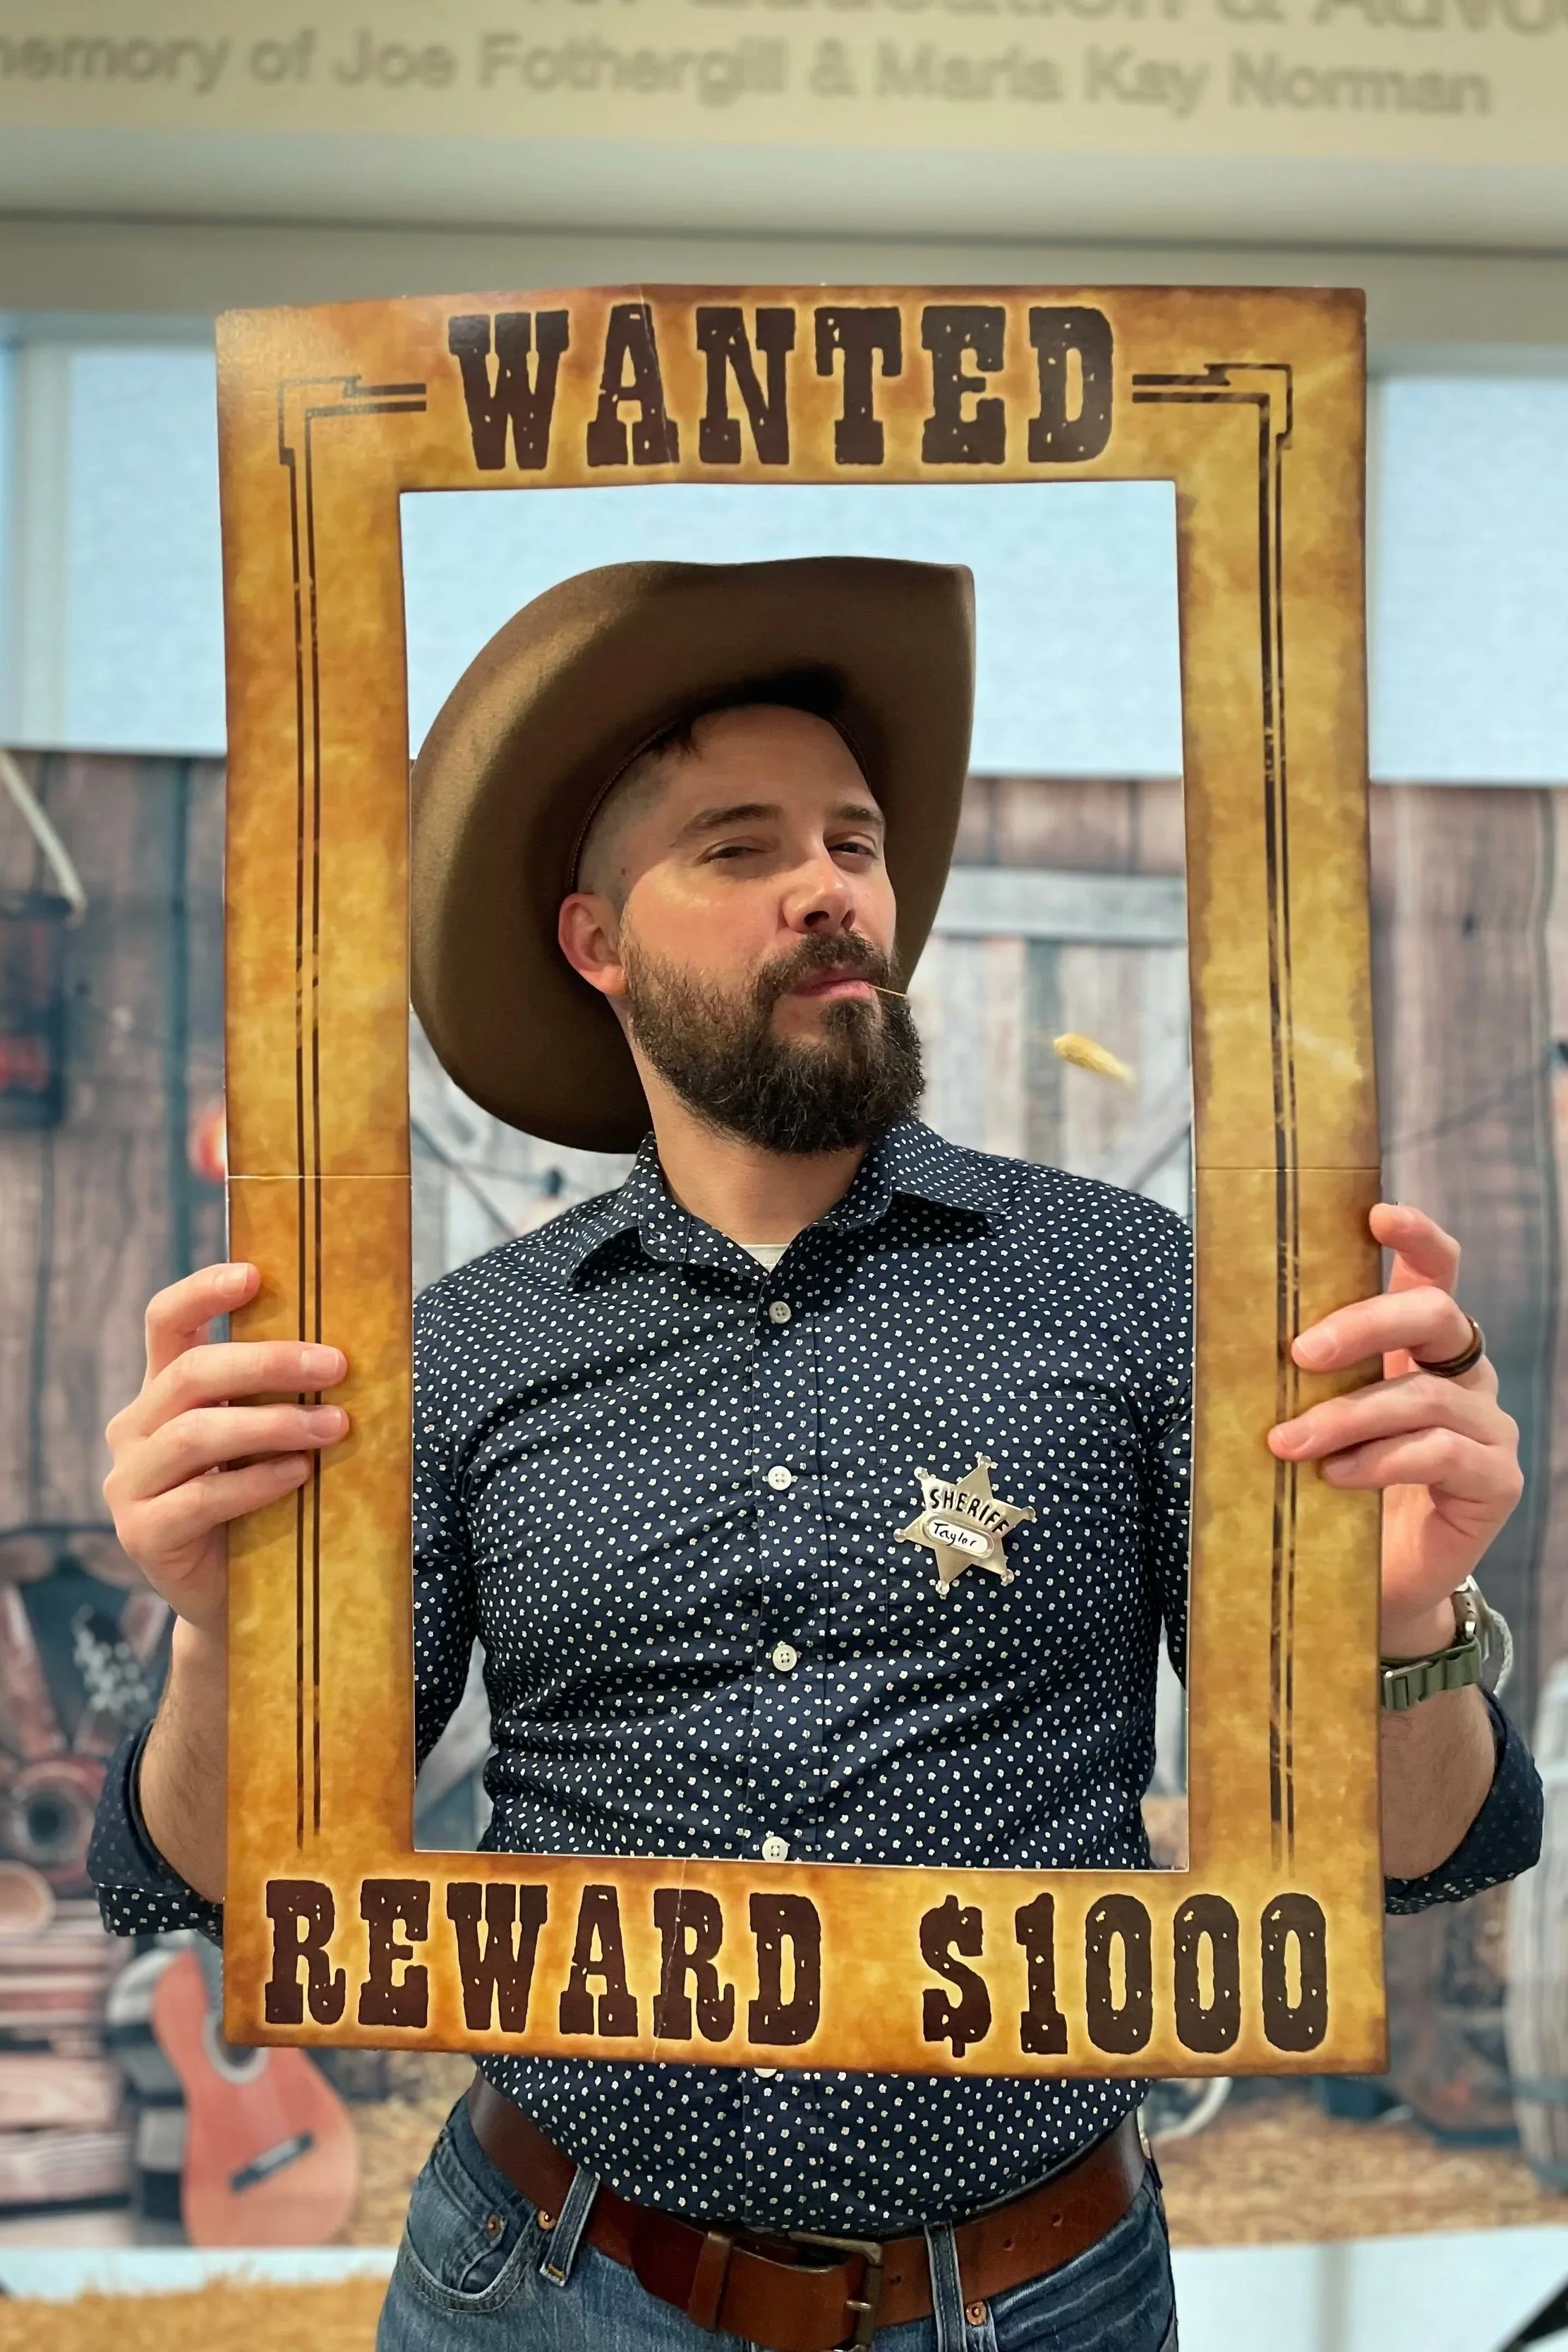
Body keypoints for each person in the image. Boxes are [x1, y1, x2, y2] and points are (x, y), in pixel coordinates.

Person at [89, 557, 1540, 2352]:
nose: (827, 889)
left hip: (1040, 2296)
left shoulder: (1138, 1285)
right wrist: (226, 1630)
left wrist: (1400, 1640)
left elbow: (1408, 1850)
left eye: (855, 844)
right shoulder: (455, 1351)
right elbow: (236, 1875)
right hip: (542, 2286)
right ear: (596, 942)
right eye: (736, 846)